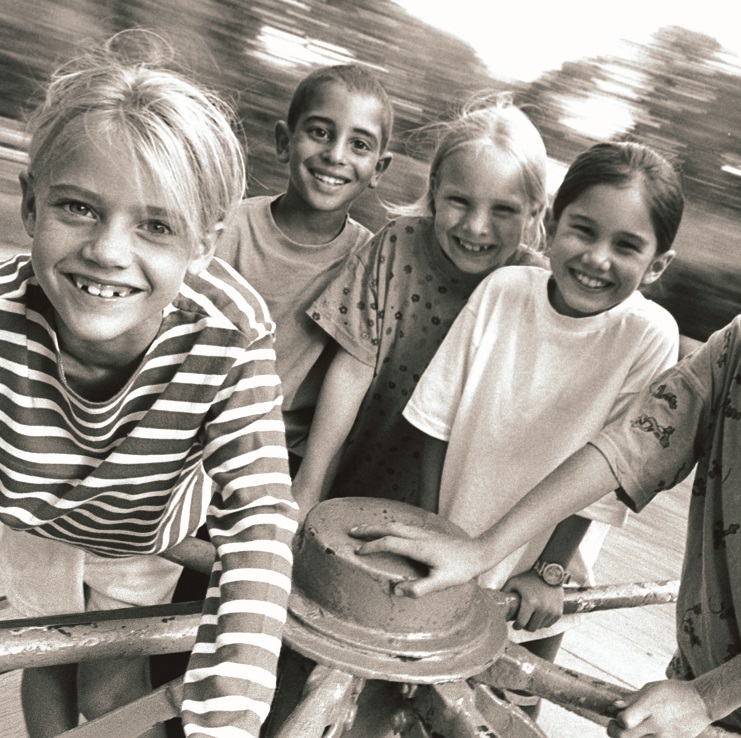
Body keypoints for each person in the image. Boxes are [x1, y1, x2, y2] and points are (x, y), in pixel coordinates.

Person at [0, 31, 298, 738]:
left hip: (143, 528)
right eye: (78, 207)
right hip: (32, 518)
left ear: (204, 242)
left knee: (111, 684)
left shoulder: (228, 333)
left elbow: (259, 515)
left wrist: (228, 716)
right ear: (31, 205)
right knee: (45, 652)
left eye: (156, 225)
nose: (108, 250)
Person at [384, 140, 683, 710]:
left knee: (504, 712)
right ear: (548, 225)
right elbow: (434, 423)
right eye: (583, 230)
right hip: (449, 545)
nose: (596, 258)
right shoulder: (501, 292)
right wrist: (437, 535)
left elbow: (613, 465)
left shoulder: (648, 337)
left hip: (541, 578)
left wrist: (548, 572)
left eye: (626, 246)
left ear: (658, 265)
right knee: (405, 705)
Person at [292, 94, 550, 515]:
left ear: (535, 212)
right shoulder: (398, 246)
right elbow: (351, 371)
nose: (476, 227)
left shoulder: (534, 289)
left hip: (455, 507)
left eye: (504, 210)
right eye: (459, 201)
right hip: (356, 471)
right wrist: (308, 487)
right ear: (434, 191)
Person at [216, 63, 393, 472]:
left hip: (282, 458)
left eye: (359, 145)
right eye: (320, 132)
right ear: (284, 142)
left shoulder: (371, 264)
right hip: (192, 430)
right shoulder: (227, 228)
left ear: (378, 171)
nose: (335, 155)